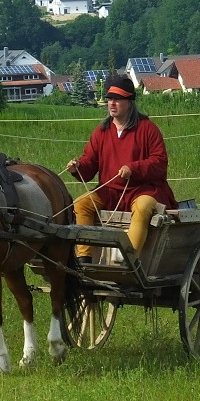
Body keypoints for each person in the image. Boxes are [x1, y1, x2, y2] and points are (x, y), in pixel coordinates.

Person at [67, 74, 177, 264]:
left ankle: (128, 260)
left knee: (142, 207)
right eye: (110, 99)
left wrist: (133, 168)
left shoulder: (147, 128)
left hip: (143, 190)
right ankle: (84, 258)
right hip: (110, 192)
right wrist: (77, 167)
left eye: (117, 99)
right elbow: (89, 163)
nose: (112, 103)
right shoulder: (101, 131)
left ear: (129, 102)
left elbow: (160, 162)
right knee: (81, 203)